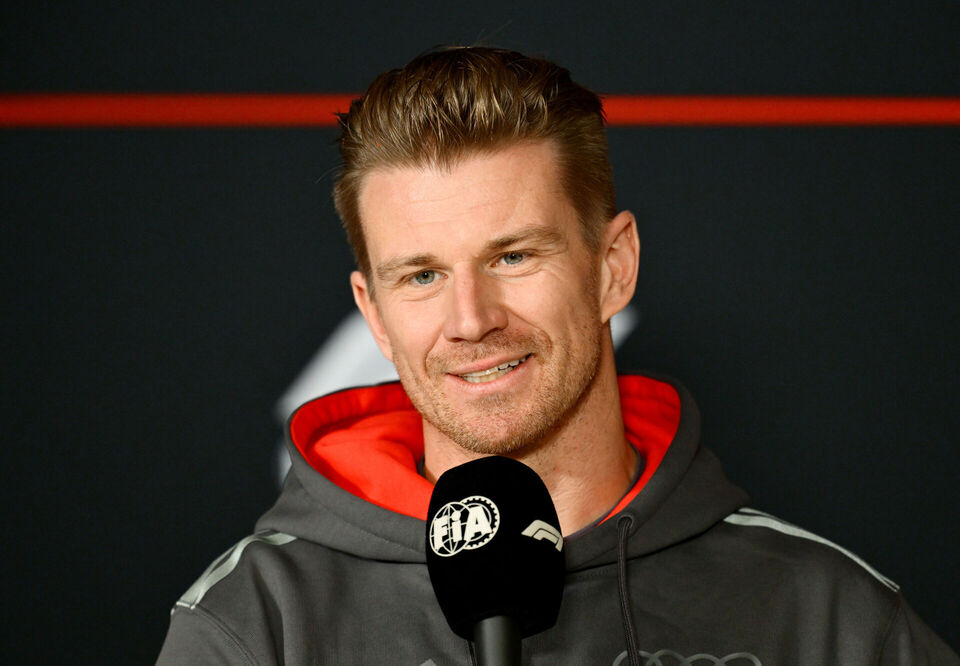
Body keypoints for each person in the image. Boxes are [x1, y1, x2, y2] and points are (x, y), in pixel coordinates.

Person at [157, 47, 957, 665]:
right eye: (423, 276)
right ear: (374, 313)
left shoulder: (826, 616)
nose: (471, 321)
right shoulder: (256, 624)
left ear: (613, 267)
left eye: (513, 256)